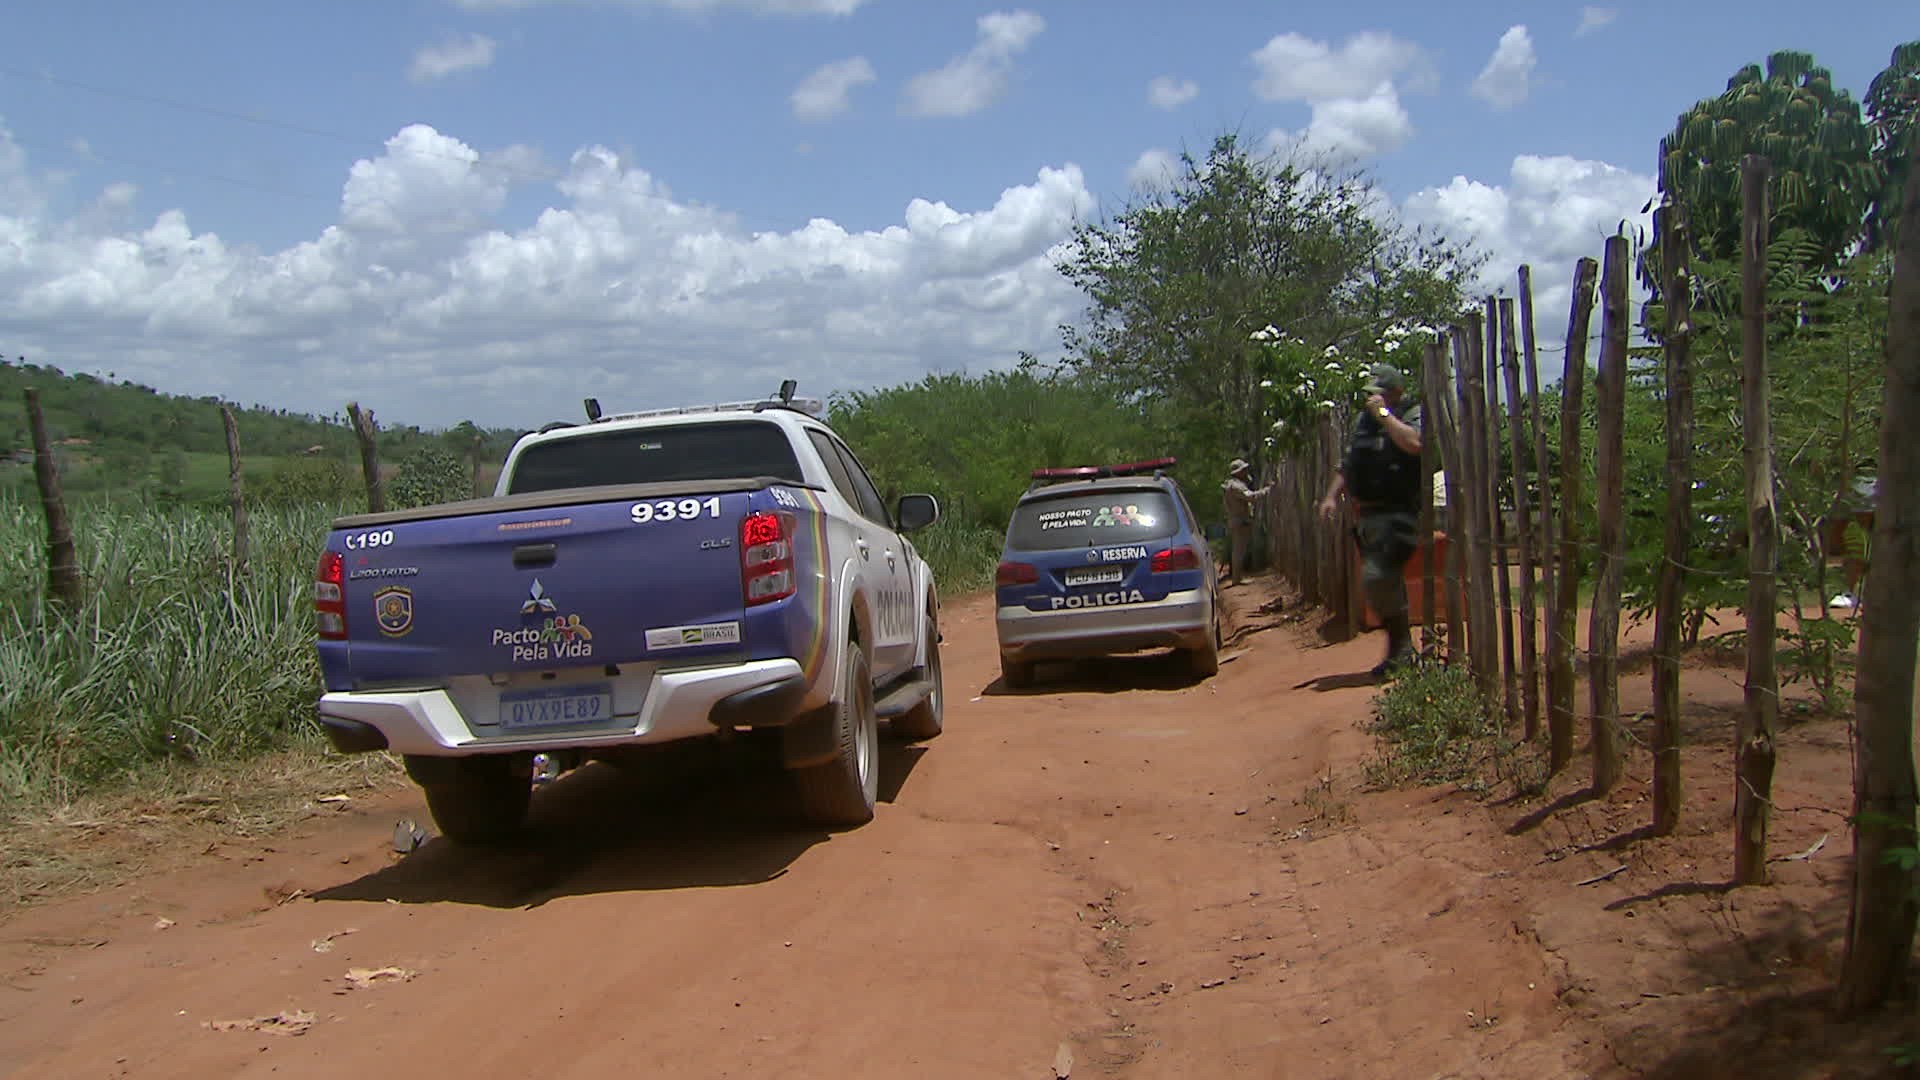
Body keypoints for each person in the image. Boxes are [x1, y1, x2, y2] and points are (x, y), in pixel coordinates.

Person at [1319, 363, 1424, 679]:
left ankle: (1403, 649)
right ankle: (1400, 654)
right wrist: (1330, 497)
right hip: (1369, 517)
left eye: (1378, 394)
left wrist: (1384, 416)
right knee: (1383, 583)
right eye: (1369, 396)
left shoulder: (1410, 412)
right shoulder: (1364, 421)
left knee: (1377, 577)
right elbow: (1349, 464)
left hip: (1399, 513)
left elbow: (1415, 444)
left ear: (1396, 392)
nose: (1372, 401)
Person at [1222, 458, 1271, 587]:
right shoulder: (1236, 486)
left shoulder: (1233, 484)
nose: (1245, 472)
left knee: (1238, 550)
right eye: (1243, 470)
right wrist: (1266, 491)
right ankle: (1237, 579)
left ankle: (1237, 577)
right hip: (1239, 521)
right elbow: (1251, 497)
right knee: (1239, 550)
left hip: (1238, 520)